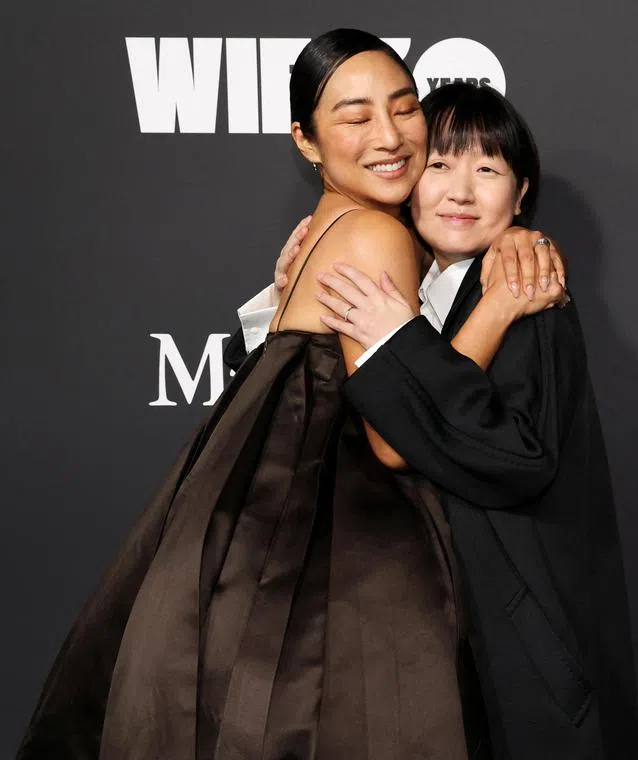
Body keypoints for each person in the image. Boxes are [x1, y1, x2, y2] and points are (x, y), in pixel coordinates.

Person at [16, 30, 562, 760]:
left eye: (404, 110)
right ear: (306, 141)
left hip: (252, 552)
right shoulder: (375, 234)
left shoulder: (336, 230)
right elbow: (400, 434)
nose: (390, 136)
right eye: (354, 116)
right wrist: (498, 306)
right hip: (322, 571)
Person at [251, 83, 638, 759]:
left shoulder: (530, 297)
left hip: (508, 660)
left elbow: (516, 454)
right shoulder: (392, 292)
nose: (461, 190)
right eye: (438, 164)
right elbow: (305, 422)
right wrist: (286, 303)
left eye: (487, 169)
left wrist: (400, 342)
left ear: (520, 195)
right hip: (398, 649)